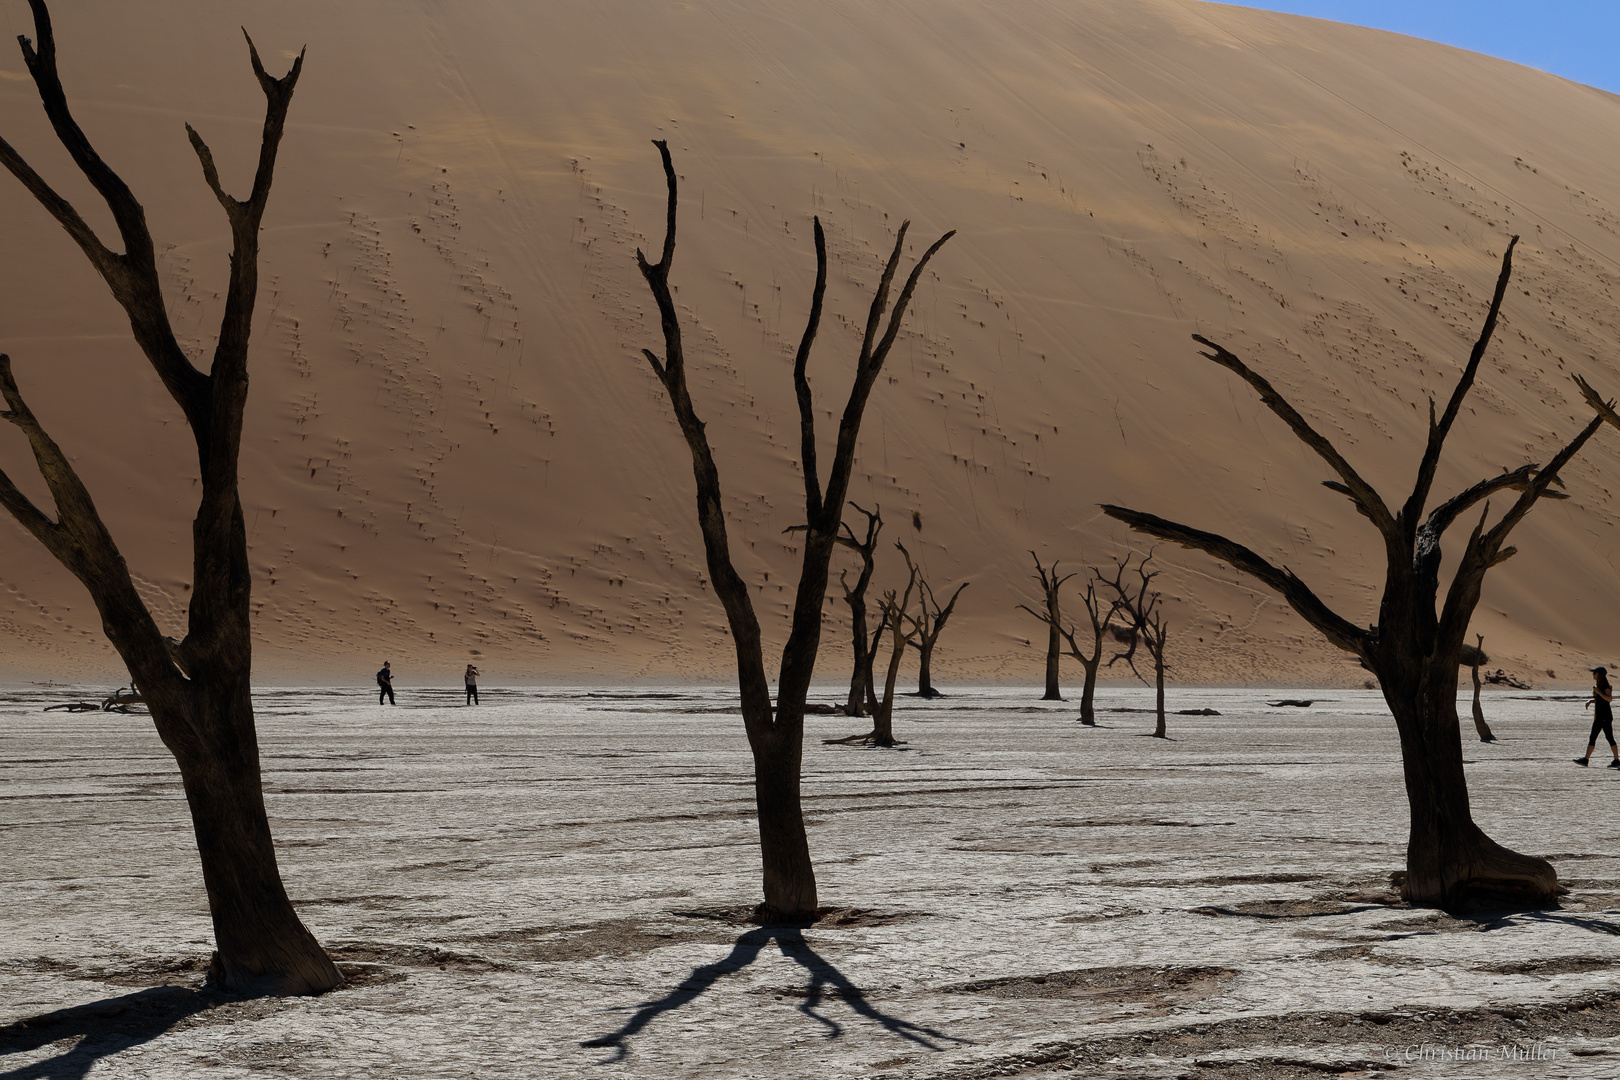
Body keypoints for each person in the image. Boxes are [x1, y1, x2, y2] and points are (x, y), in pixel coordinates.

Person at [1574, 666, 1618, 768]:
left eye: (1595, 673)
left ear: (1600, 675)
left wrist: (1598, 692)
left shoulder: (1606, 686)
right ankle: (1586, 759)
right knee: (1593, 737)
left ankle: (1616, 760)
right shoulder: (1598, 685)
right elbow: (1601, 699)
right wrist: (1591, 701)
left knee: (1609, 737)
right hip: (1599, 716)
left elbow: (1609, 699)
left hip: (1605, 716)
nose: (1593, 675)